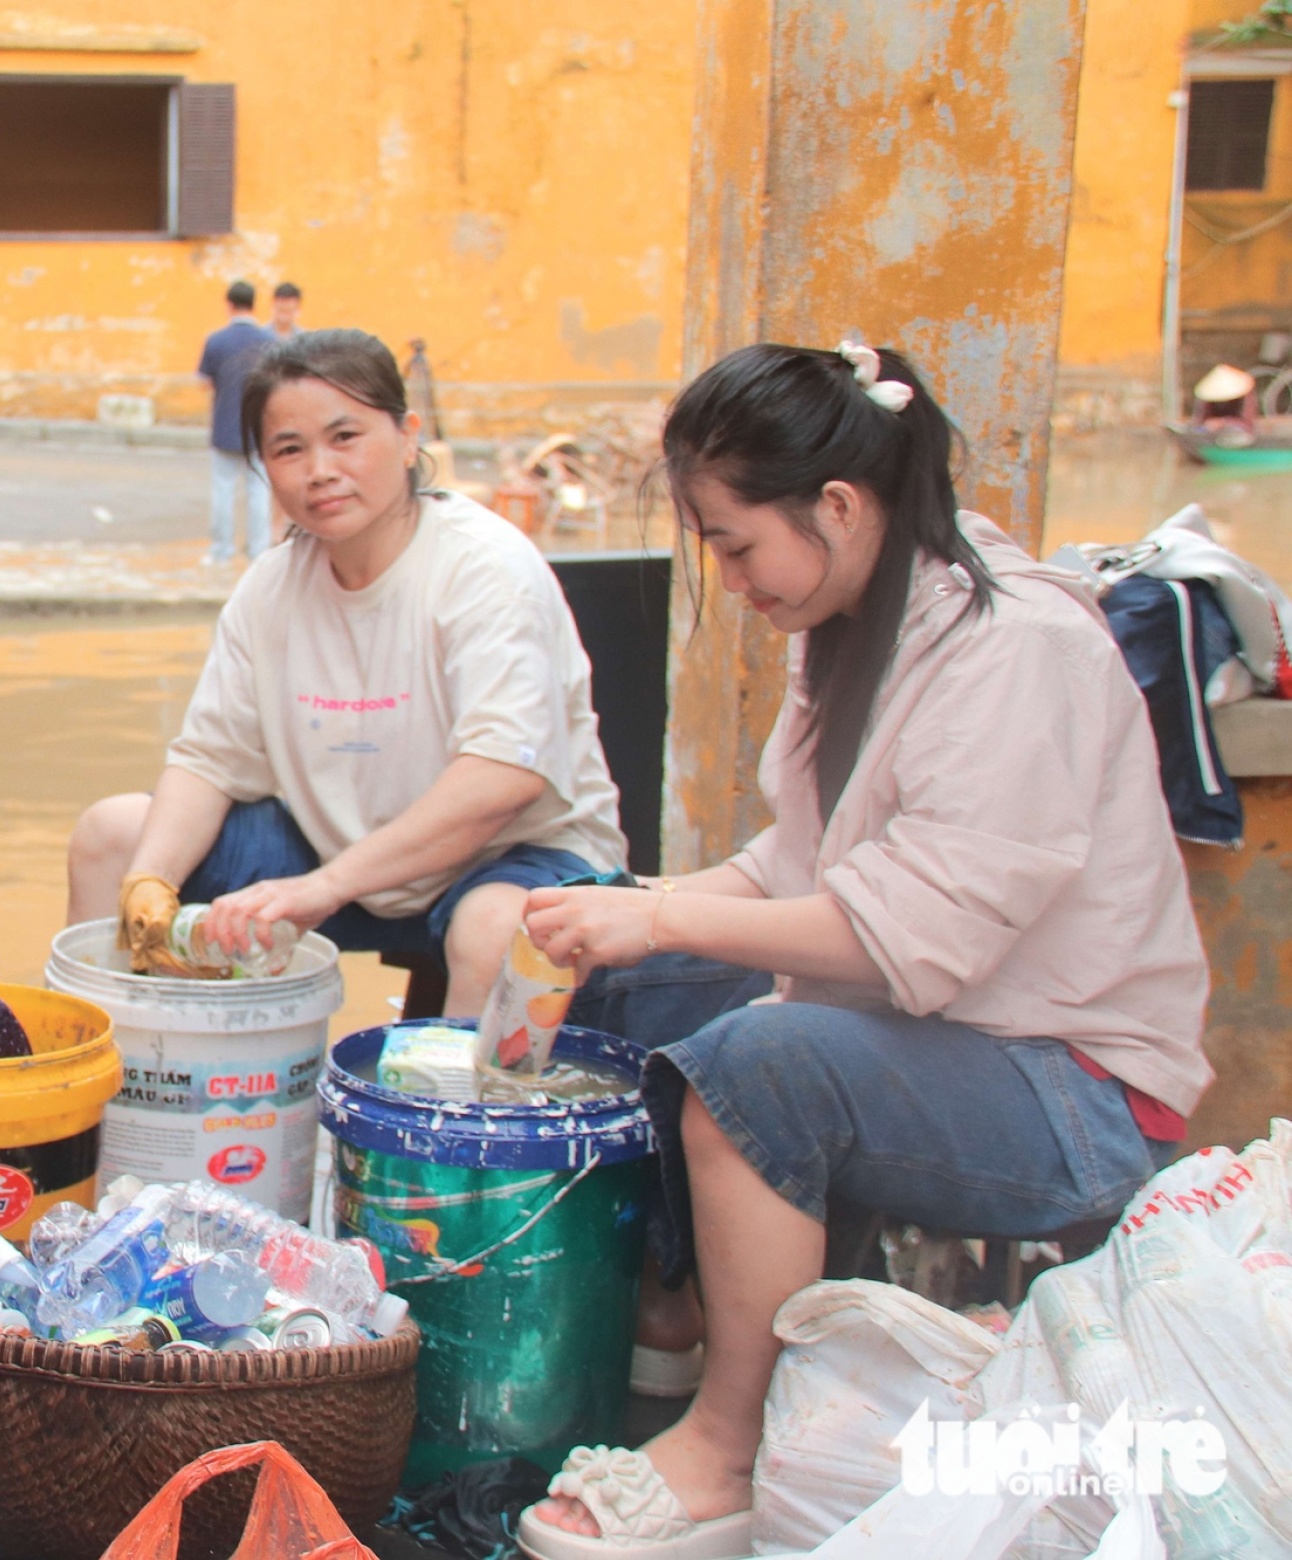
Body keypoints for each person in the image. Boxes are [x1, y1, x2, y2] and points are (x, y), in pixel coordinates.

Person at [514, 343, 1211, 1560]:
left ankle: (730, 1448)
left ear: (836, 507)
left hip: (1079, 1088)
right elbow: (800, 862)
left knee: (762, 1065)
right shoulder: (853, 624)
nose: (731, 579)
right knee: (629, 973)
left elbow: (910, 935)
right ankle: (670, 1319)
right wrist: (624, 911)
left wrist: (664, 914)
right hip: (949, 1040)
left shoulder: (1015, 649)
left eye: (736, 546)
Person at [69, 328, 627, 1013]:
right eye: (289, 449)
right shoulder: (271, 587)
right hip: (334, 853)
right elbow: (211, 761)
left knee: (496, 931)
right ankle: (111, 1065)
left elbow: (504, 778)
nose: (320, 470)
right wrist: (149, 882)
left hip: (511, 857)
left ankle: (456, 1086)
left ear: (408, 437)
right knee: (114, 836)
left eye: (345, 437)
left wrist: (324, 887)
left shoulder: (486, 569)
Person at [198, 281, 276, 567]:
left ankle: (221, 551)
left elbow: (204, 382)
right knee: (259, 492)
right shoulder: (269, 342)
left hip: (225, 426)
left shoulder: (216, 341)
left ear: (229, 305)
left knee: (223, 491)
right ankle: (258, 551)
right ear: (254, 304)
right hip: (260, 428)